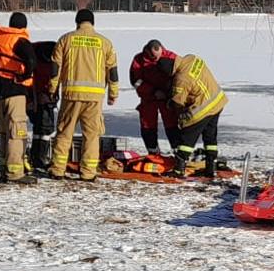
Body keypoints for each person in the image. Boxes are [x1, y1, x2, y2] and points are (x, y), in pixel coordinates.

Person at [47, 9, 119, 180]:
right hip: (94, 98)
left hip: (71, 95)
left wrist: (52, 89)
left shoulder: (66, 40)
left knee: (64, 133)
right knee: (92, 135)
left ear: (77, 22)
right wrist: (113, 93)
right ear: (92, 23)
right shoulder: (105, 43)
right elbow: (113, 72)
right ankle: (88, 172)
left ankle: (57, 169)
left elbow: (55, 69)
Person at [0, 13, 38, 184]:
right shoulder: (20, 41)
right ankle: (15, 173)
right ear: (23, 27)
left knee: (4, 132)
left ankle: (4, 169)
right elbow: (32, 61)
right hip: (15, 92)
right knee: (17, 133)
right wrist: (23, 76)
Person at [162, 53, 229, 177]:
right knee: (210, 138)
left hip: (203, 108)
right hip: (218, 101)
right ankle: (210, 168)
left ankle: (179, 169)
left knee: (187, 136)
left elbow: (178, 103)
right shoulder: (191, 58)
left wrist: (169, 104)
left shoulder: (180, 79)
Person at [130, 40, 179, 153]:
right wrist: (153, 91)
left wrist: (169, 93)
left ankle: (178, 152)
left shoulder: (171, 57)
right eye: (153, 56)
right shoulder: (138, 60)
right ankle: (153, 152)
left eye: (158, 56)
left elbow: (180, 76)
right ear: (147, 51)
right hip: (148, 98)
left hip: (166, 98)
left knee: (172, 124)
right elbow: (136, 81)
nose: (157, 59)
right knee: (147, 125)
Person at [27, 40, 58, 166]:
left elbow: (56, 79)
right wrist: (32, 100)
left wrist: (52, 96)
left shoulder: (56, 58)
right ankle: (37, 157)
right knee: (42, 126)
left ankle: (38, 157)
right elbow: (30, 81)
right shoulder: (32, 57)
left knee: (45, 127)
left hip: (46, 97)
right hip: (32, 95)